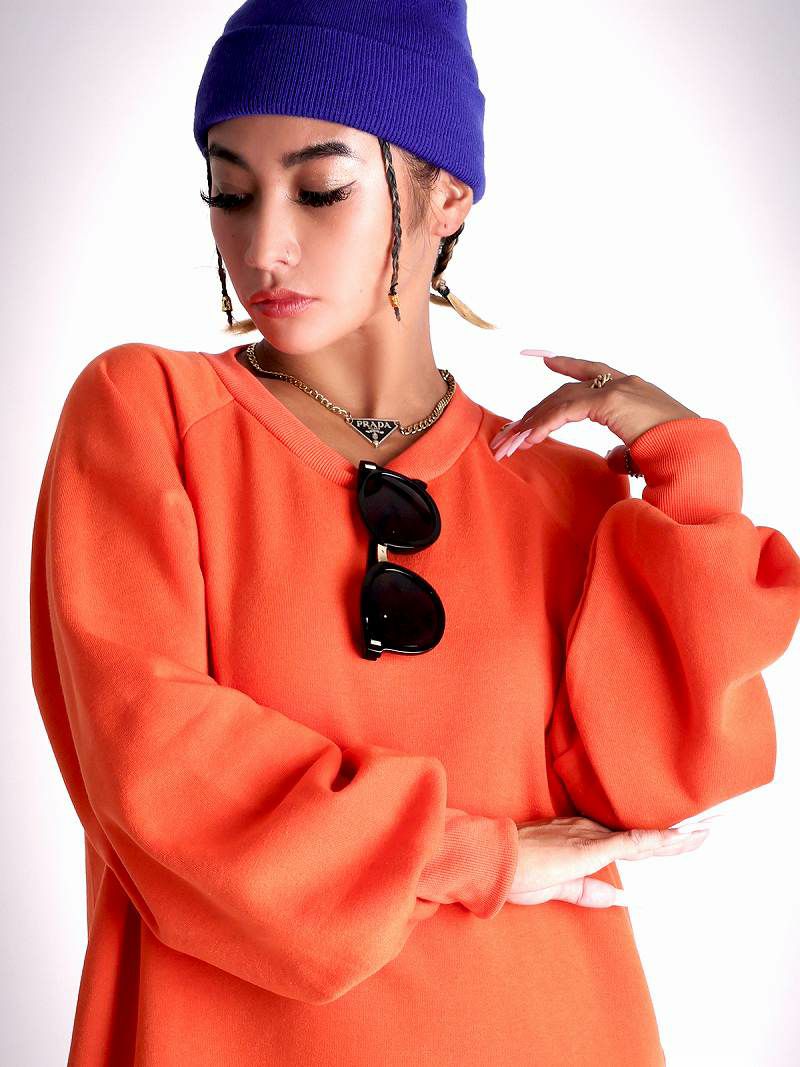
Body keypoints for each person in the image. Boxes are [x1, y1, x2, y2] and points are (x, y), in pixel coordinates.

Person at [28, 2, 800, 1065]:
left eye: (320, 188)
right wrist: (476, 854)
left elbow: (662, 787)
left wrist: (691, 468)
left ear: (448, 196)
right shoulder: (148, 414)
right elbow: (156, 765)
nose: (263, 246)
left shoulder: (566, 497)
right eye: (230, 192)